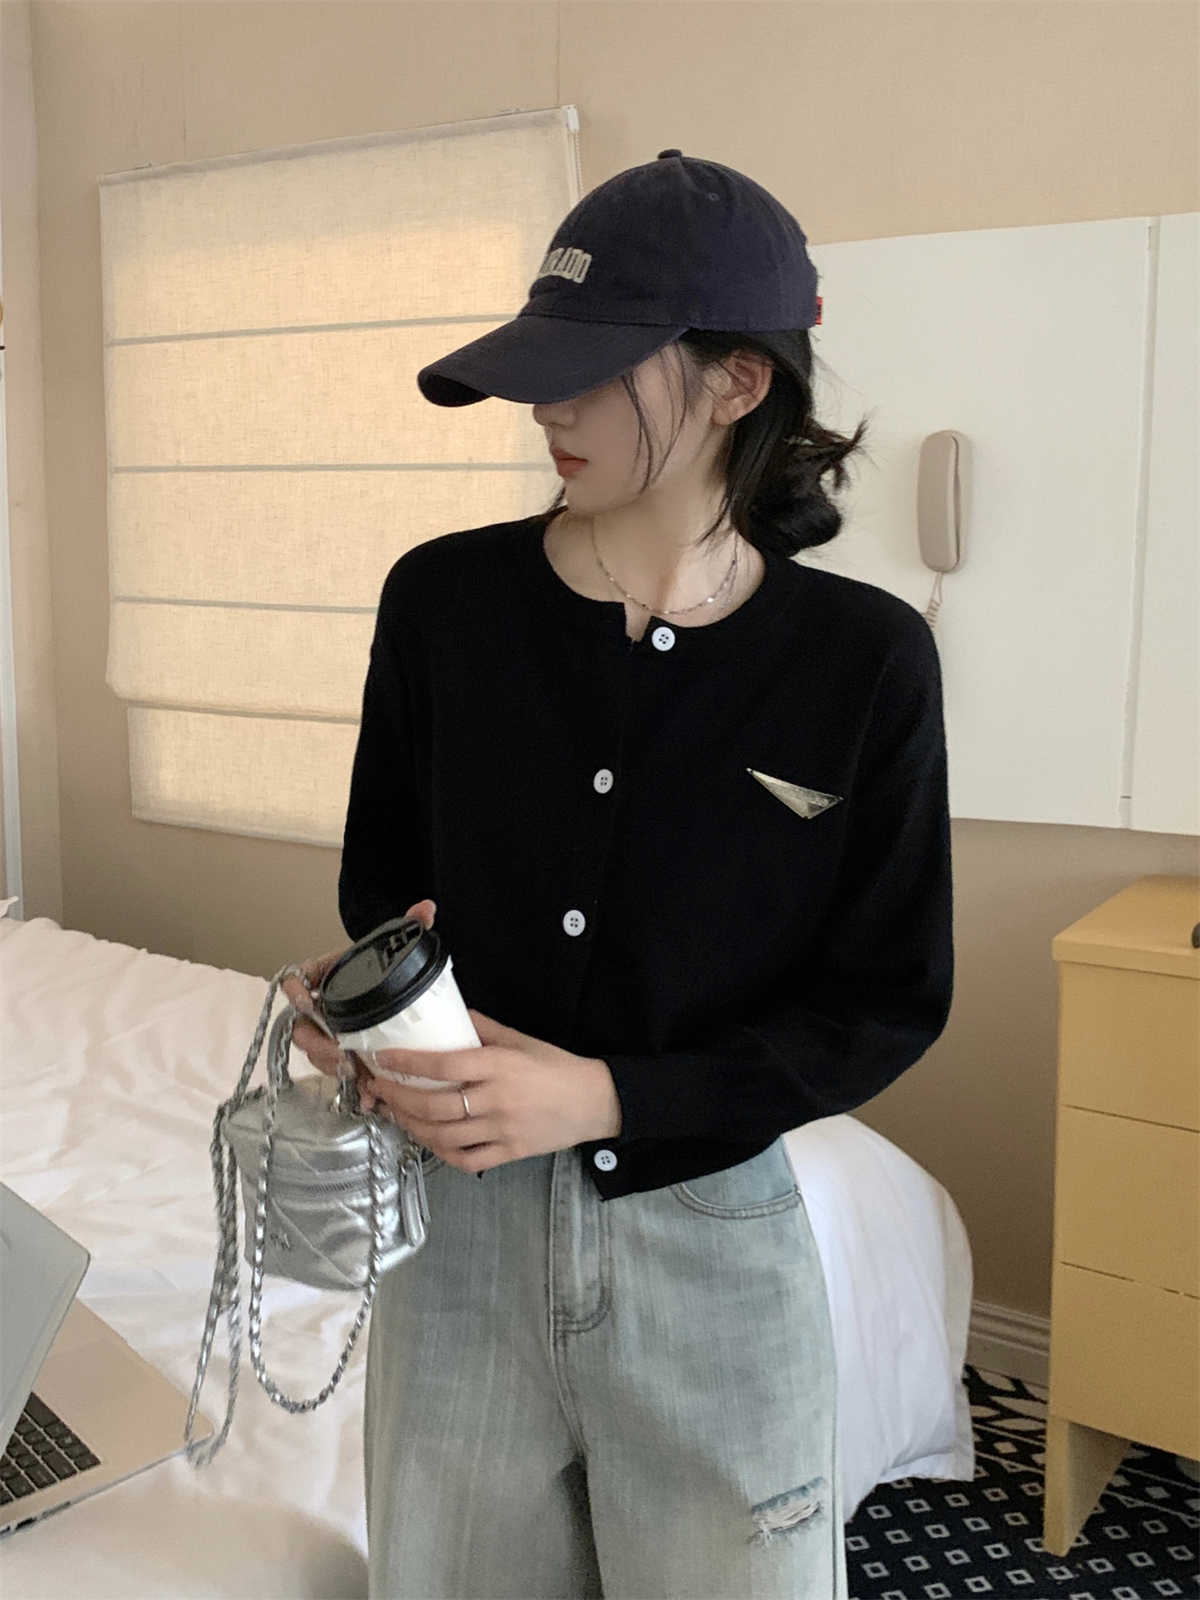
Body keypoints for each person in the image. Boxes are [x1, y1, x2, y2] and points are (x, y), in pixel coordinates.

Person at [283, 149, 953, 1600]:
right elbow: (385, 887)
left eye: (593, 370)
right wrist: (369, 1013)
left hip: (712, 1242)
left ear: (737, 383)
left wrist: (608, 1096)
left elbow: (885, 1003)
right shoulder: (443, 602)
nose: (547, 406)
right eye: (544, 366)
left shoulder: (863, 662)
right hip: (455, 1245)